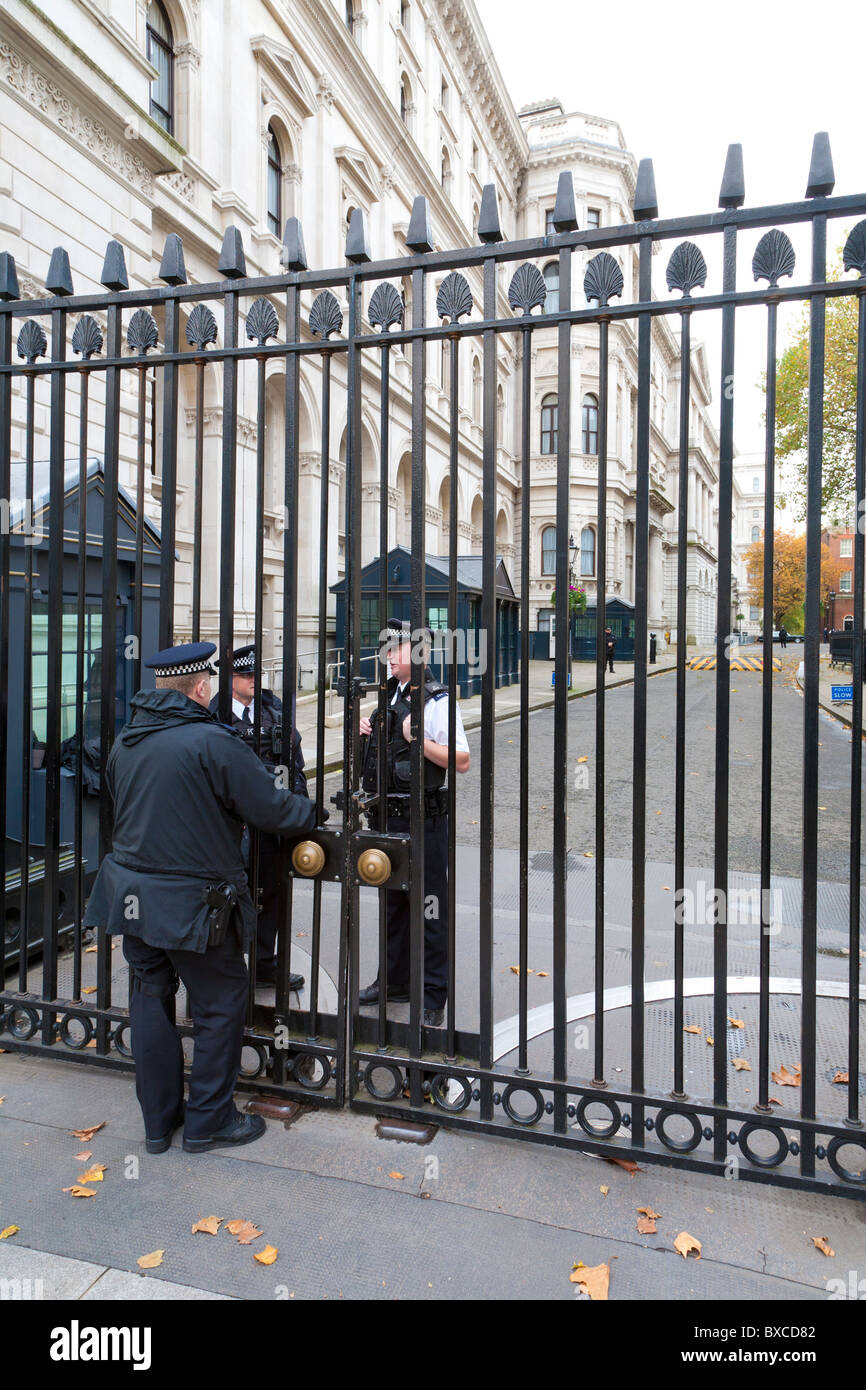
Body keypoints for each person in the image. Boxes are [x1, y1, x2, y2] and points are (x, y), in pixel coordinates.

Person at [83, 642, 316, 1155]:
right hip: (193, 905)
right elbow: (273, 809)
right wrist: (310, 814)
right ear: (203, 687)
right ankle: (209, 1120)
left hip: (131, 898)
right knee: (220, 1002)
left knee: (149, 1000)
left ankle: (157, 1123)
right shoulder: (213, 742)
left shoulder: (128, 740)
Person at [357, 620, 470, 1028]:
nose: (388, 656)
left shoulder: (438, 700)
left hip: (424, 820)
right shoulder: (390, 696)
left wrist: (417, 737)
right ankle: (394, 982)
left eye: (396, 650)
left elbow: (462, 760)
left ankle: (433, 993)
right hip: (389, 815)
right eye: (387, 649)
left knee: (429, 908)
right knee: (394, 905)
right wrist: (369, 730)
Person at [209, 644, 308, 991]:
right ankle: (230, 967)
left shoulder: (273, 712)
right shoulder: (215, 715)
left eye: (256, 674)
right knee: (230, 895)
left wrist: (296, 810)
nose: (254, 680)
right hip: (230, 828)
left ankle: (265, 963)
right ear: (229, 678)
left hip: (269, 825)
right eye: (246, 675)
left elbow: (295, 765)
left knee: (271, 893)